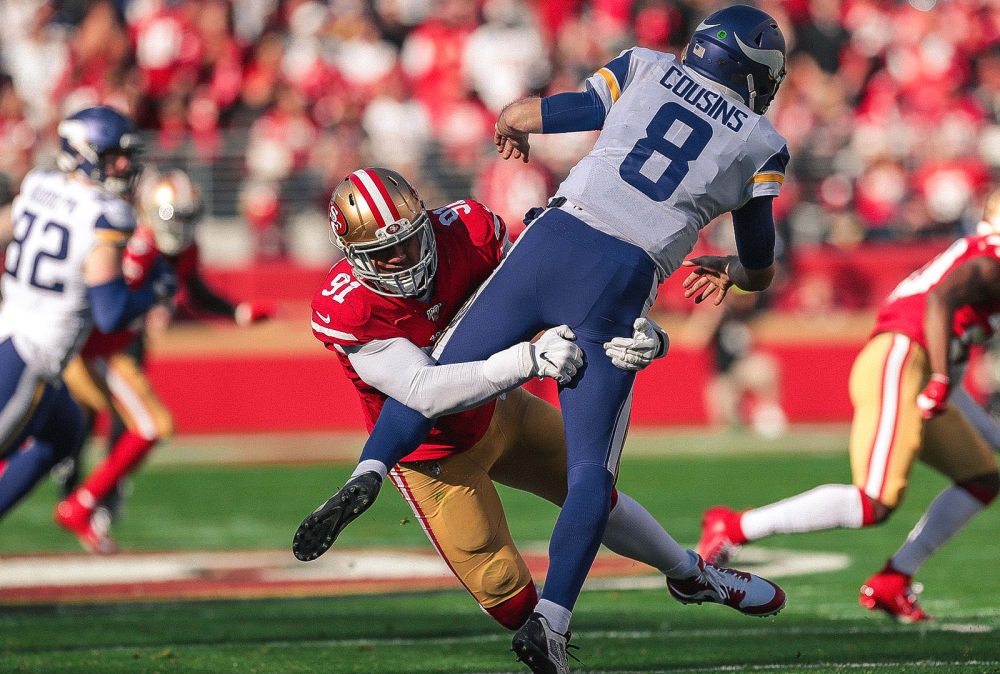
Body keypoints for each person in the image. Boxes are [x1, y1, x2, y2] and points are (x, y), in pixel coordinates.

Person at [318, 5, 788, 674]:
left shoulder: (644, 64)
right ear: (756, 76)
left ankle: (369, 466)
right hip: (617, 280)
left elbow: (553, 111)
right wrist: (729, 270)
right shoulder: (762, 142)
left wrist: (513, 120)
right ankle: (554, 621)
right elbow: (760, 263)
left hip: (550, 241)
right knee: (590, 471)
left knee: (437, 374)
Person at [296, 167, 784, 634]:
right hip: (435, 458)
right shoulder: (346, 305)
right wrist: (525, 361)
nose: (401, 257)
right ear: (352, 255)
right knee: (505, 591)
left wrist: (643, 335)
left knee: (594, 493)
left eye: (407, 240)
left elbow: (549, 294)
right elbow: (423, 392)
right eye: (384, 253)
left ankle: (691, 574)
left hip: (502, 411)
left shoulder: (468, 229)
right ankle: (549, 647)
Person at [698, 178, 1000, 623]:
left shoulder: (994, 261)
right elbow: (939, 301)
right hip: (901, 357)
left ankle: (896, 579)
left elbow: (949, 381)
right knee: (874, 500)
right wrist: (934, 378)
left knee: (981, 479)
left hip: (910, 363)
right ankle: (735, 527)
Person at [53, 167, 274, 552]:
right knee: (98, 426)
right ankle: (81, 500)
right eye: (178, 216)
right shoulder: (134, 245)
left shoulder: (180, 249)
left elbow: (195, 290)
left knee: (128, 426)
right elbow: (108, 306)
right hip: (91, 348)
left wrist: (238, 312)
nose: (184, 226)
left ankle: (90, 502)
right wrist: (151, 299)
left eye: (190, 217)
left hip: (117, 347)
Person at [0, 106, 172, 521]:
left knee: (66, 433)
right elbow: (111, 314)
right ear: (81, 153)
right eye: (114, 155)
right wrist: (156, 293)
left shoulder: (38, 183)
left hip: (10, 332)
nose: (124, 165)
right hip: (31, 356)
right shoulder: (108, 215)